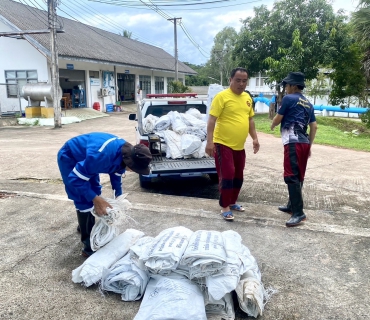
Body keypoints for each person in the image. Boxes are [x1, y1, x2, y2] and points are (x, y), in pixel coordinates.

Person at [57, 132, 152, 257]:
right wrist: (96, 200)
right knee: (83, 199)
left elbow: (116, 174)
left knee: (95, 190)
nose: (133, 171)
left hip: (88, 159)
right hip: (71, 157)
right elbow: (75, 179)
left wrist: (118, 197)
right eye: (135, 169)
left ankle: (85, 225)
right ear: (130, 162)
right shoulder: (100, 157)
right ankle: (88, 246)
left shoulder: (126, 153)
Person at [205, 67, 260, 221]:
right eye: (238, 80)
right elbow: (211, 120)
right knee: (227, 175)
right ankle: (225, 207)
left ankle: (233, 201)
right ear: (230, 80)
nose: (241, 84)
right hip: (223, 144)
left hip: (239, 146)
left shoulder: (247, 98)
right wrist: (210, 142)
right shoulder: (221, 97)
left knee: (238, 176)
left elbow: (250, 120)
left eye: (244, 81)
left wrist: (255, 138)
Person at [270, 72, 317, 227]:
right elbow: (314, 126)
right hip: (303, 143)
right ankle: (291, 206)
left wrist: (273, 124)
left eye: (287, 86)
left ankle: (298, 213)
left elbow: (278, 118)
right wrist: (309, 145)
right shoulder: (308, 103)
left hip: (292, 142)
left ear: (293, 86)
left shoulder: (289, 99)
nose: (286, 89)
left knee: (291, 176)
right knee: (299, 176)